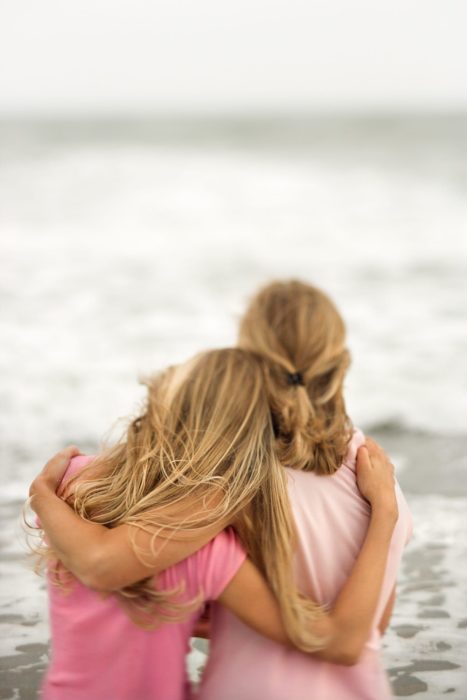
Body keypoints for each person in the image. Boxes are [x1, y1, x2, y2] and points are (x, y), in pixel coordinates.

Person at [29, 348, 398, 700]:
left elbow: (107, 580)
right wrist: (384, 514)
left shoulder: (72, 483)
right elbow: (344, 642)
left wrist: (41, 493)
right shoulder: (211, 553)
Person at [196, 280, 413, 700]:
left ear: (247, 358)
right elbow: (374, 627)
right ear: (339, 360)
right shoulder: (377, 478)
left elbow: (172, 598)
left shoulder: (221, 472)